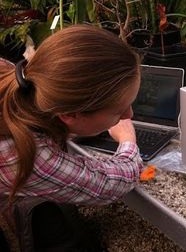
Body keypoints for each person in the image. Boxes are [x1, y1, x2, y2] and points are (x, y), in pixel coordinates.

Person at [0, 25, 144, 250]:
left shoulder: (15, 77)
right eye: (119, 111)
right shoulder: (27, 155)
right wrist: (127, 140)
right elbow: (110, 184)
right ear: (69, 114)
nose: (130, 115)